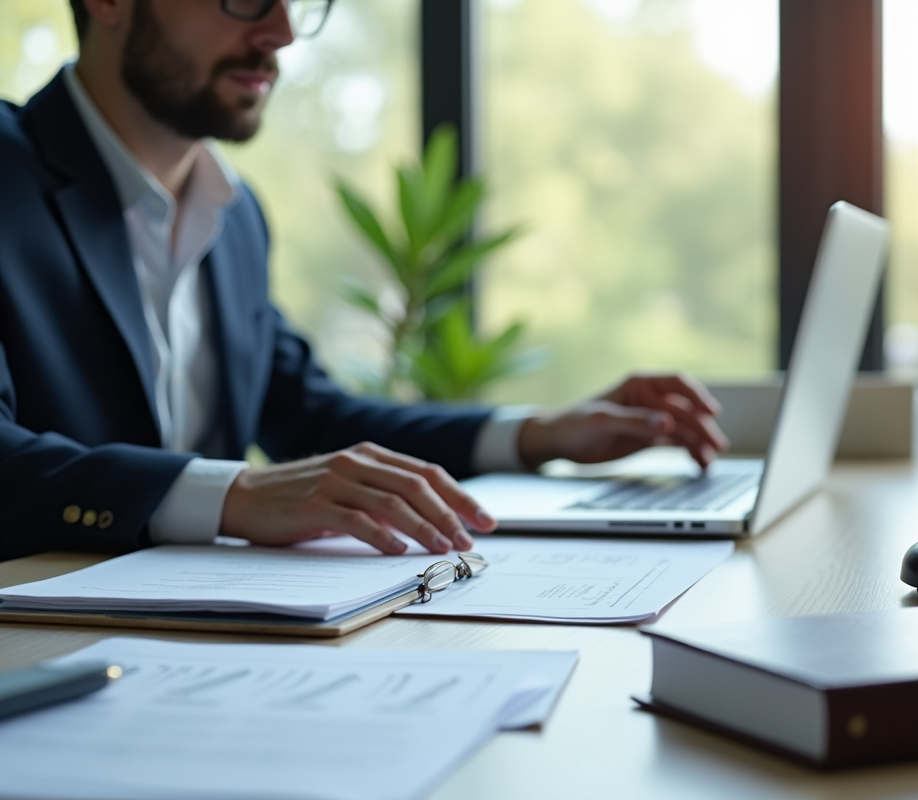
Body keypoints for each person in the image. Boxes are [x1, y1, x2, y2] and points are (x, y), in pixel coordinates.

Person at [0, 0, 729, 563]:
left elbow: (314, 419)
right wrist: (237, 493)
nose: (282, 32)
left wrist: (542, 433)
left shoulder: (234, 215)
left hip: (185, 638)